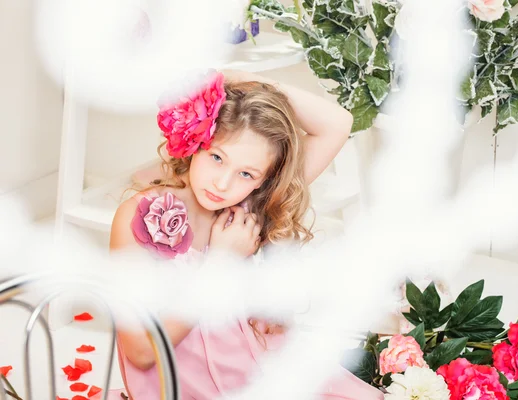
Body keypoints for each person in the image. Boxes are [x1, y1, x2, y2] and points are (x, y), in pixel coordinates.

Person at [109, 69, 383, 399]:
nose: (223, 184)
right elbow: (140, 352)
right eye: (216, 157)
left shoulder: (245, 212)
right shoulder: (142, 216)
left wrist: (251, 85)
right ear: (196, 141)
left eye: (246, 173)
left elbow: (337, 124)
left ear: (263, 181)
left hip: (251, 370)